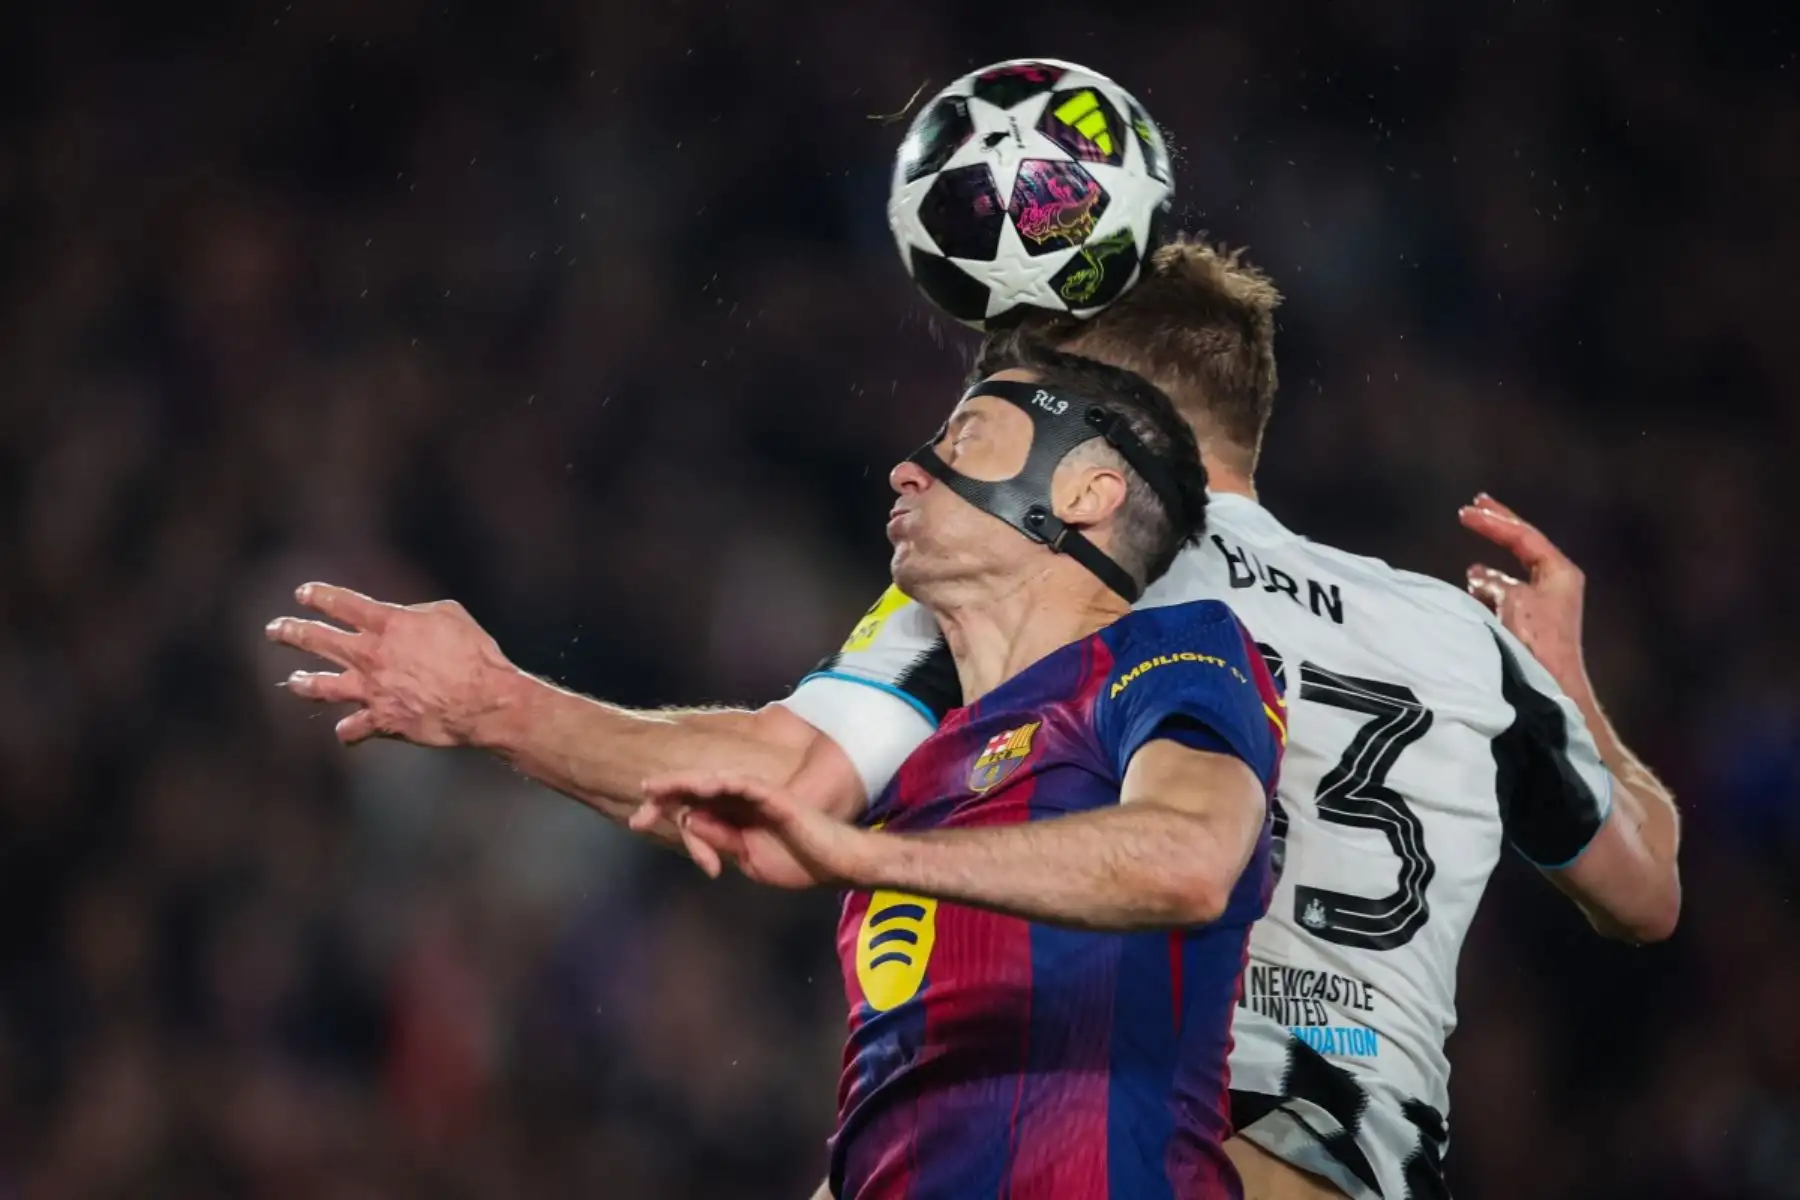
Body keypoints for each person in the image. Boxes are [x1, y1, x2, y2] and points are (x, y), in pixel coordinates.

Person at [266, 238, 1681, 1200]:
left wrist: (499, 702)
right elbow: (1645, 893)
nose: (948, 438)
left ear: (1102, 449)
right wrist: (1569, 682)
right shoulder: (1444, 631)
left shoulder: (1089, 595)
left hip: (1172, 1141)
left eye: (1009, 399)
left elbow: (784, 778)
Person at [278, 340, 1289, 1197]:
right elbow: (901, 1122)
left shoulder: (1176, 653)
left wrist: (862, 857)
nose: (908, 469)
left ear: (1085, 491)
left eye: (966, 439)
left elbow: (1191, 858)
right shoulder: (927, 775)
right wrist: (490, 701)